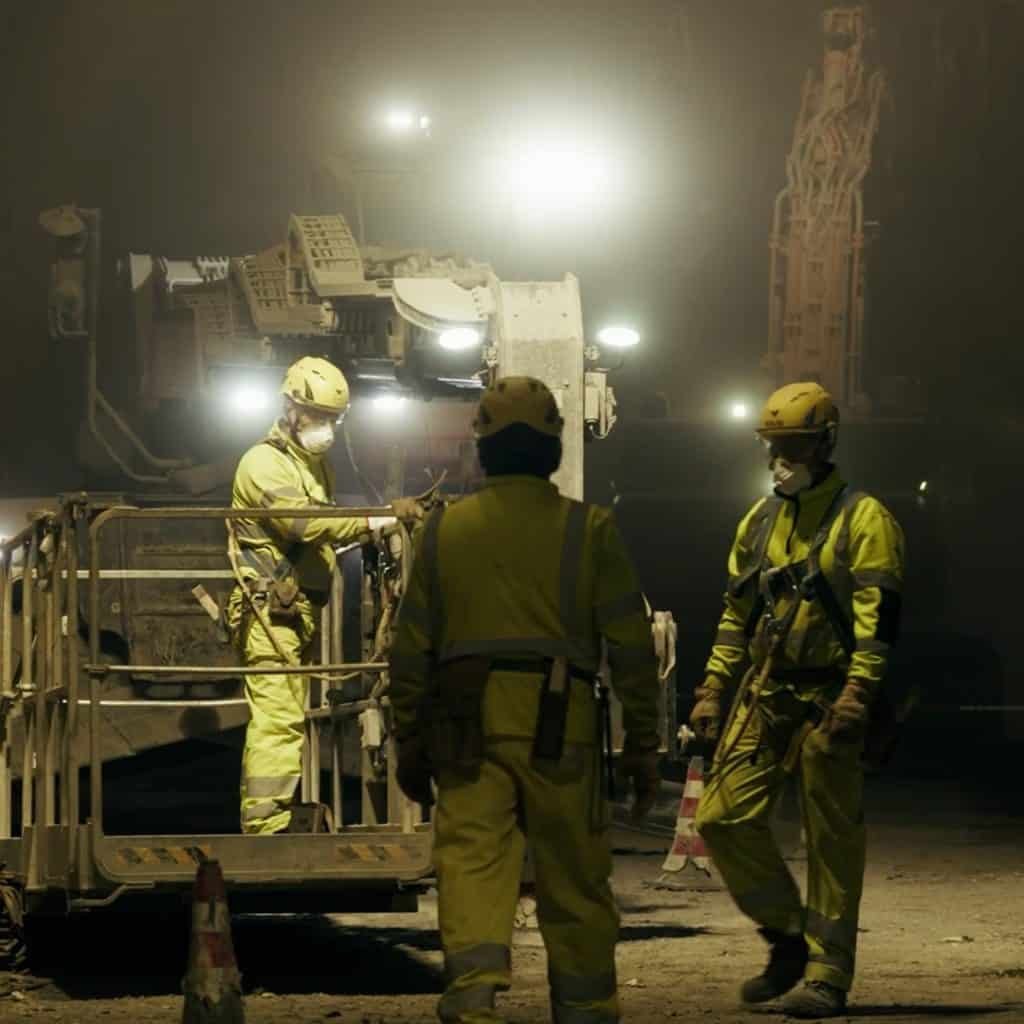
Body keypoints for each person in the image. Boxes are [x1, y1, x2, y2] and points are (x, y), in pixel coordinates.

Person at [390, 376, 662, 1024]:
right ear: (553, 447)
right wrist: (643, 744)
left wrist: (408, 738)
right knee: (575, 879)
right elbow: (630, 646)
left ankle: (473, 1002)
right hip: (560, 724)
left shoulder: (442, 532)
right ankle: (587, 1009)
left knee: (472, 871)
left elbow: (411, 649)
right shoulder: (589, 530)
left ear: (482, 450)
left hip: (465, 727)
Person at [690, 381, 905, 1018]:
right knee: (720, 818)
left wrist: (859, 692)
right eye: (773, 444)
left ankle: (828, 974)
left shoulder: (865, 520)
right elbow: (736, 617)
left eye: (794, 444)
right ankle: (788, 938)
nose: (781, 456)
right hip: (768, 692)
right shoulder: (759, 522)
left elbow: (879, 615)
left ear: (825, 442)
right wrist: (712, 689)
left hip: (832, 697)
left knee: (832, 839)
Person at [227, 356, 411, 834]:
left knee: (286, 715)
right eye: (318, 416)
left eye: (334, 419)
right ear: (291, 407)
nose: (326, 427)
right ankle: (265, 828)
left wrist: (370, 531)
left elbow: (322, 528)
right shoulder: (262, 463)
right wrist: (375, 519)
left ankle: (275, 817)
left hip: (296, 610)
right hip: (269, 611)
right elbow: (302, 523)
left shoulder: (314, 467)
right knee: (279, 717)